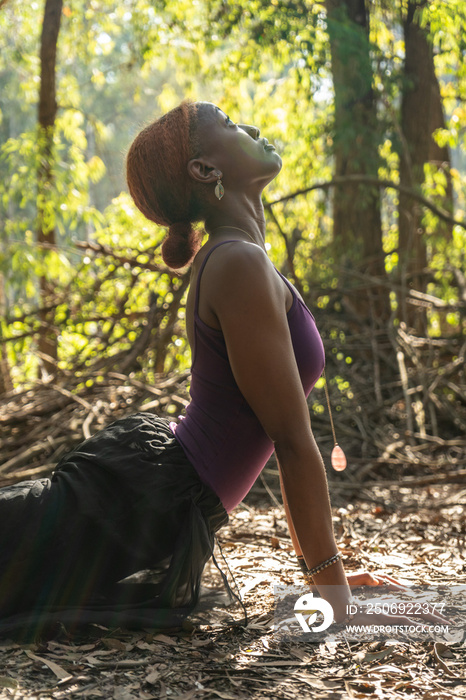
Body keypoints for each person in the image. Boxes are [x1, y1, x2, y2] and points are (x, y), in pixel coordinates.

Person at [0, 101, 447, 639]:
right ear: (204, 169)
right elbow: (291, 441)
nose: (253, 127)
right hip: (140, 498)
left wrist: (326, 581)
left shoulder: (241, 258)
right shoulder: (236, 262)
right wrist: (339, 600)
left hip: (157, 493)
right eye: (232, 125)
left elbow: (286, 443)